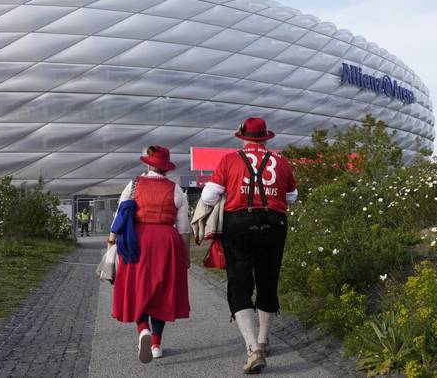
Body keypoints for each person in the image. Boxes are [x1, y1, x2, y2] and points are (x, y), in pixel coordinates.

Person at [200, 117, 298, 374]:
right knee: (268, 280)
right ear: (266, 138)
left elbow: (209, 196)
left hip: (239, 223)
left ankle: (253, 349)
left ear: (243, 138)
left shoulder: (230, 160)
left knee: (240, 284)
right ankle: (264, 340)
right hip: (274, 223)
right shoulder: (282, 161)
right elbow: (292, 197)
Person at [108, 145, 192, 364]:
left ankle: (143, 329)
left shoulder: (134, 184)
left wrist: (111, 242)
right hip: (167, 241)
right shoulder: (176, 190)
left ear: (148, 163)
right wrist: (185, 256)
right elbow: (184, 228)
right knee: (162, 293)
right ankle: (156, 343)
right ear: (166, 167)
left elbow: (119, 214)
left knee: (138, 288)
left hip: (137, 240)